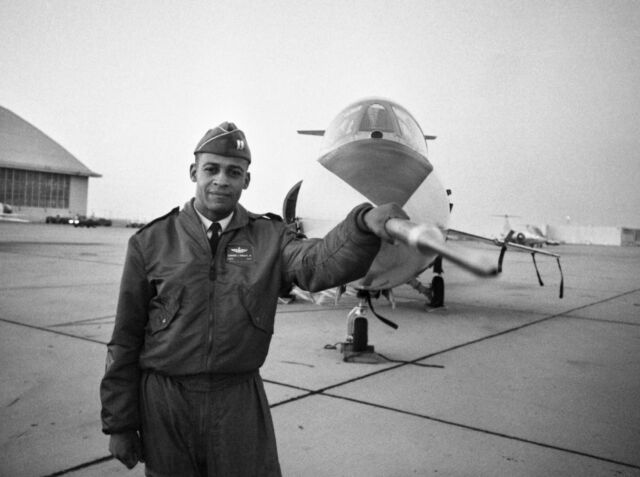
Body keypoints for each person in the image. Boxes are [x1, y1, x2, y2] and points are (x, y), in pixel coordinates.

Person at [100, 122, 407, 476]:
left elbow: (319, 263)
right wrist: (120, 423)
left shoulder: (270, 238)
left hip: (237, 400)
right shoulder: (150, 242)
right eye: (211, 169)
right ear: (193, 172)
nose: (221, 180)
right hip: (166, 402)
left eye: (234, 172)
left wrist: (362, 225)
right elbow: (124, 339)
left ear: (246, 180)